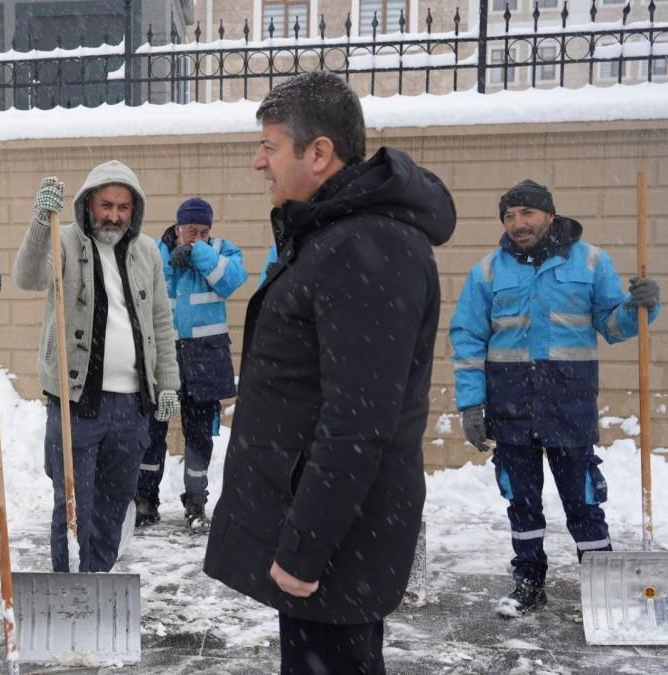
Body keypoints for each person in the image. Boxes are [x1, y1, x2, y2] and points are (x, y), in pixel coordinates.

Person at [203, 72, 455, 674]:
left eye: (269, 145)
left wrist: (305, 550)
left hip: (340, 541)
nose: (257, 161)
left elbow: (357, 422)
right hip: (331, 532)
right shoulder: (335, 236)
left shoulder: (367, 246)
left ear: (318, 153)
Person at [450, 178, 661, 617]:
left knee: (583, 501)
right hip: (510, 407)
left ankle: (603, 588)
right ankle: (529, 582)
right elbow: (468, 338)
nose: (517, 223)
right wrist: (471, 404)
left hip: (569, 403)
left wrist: (640, 306)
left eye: (526, 213)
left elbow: (613, 326)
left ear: (549, 214)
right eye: (509, 216)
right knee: (521, 503)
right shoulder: (487, 272)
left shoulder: (590, 262)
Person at [13, 161, 181, 574]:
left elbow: (161, 320)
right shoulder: (64, 239)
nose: (114, 215)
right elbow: (28, 277)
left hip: (131, 406)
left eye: (123, 207)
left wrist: (168, 385)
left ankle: (96, 587)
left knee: (113, 507)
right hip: (76, 403)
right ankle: (67, 589)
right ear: (88, 204)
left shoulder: (145, 253)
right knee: (72, 507)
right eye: (106, 205)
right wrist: (39, 221)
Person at [136, 197, 247, 529]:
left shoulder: (225, 252)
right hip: (163, 356)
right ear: (177, 226)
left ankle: (196, 502)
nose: (195, 236)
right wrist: (174, 259)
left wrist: (197, 253)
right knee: (151, 432)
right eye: (189, 231)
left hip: (206, 357)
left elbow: (230, 281)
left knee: (199, 435)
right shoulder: (153, 252)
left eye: (202, 231)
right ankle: (144, 500)